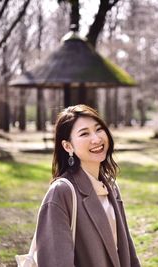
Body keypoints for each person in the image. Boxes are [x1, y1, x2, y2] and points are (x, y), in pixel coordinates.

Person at [36, 104, 140, 267]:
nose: (97, 139)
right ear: (68, 146)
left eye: (99, 129)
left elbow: (126, 247)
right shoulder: (61, 192)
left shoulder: (110, 185)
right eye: (84, 133)